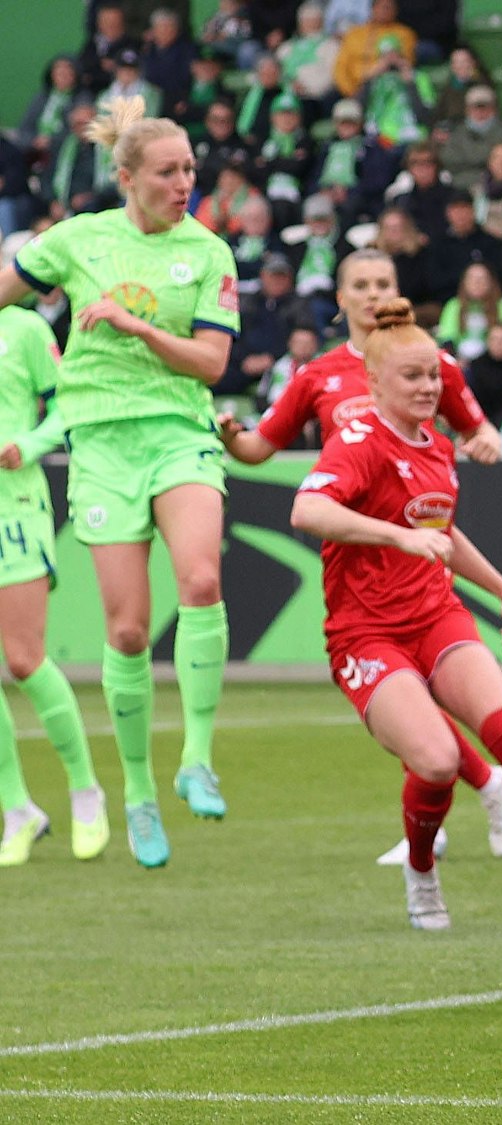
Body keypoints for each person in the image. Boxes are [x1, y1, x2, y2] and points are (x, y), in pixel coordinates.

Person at [293, 299, 502, 932]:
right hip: (366, 633)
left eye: (433, 376)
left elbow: (441, 532)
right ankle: (421, 873)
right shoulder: (357, 442)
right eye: (412, 377)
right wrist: (398, 537)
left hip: (435, 615)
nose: (428, 387)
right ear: (374, 383)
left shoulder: (439, 447)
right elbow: (307, 511)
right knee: (439, 762)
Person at [0, 98, 237, 867]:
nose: (184, 183)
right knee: (128, 631)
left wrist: (137, 326)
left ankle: (196, 757)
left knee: (201, 578)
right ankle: (137, 792)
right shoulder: (78, 239)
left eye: (190, 169)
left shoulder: (209, 253)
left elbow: (212, 363)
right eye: (168, 172)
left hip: (178, 432)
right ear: (128, 178)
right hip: (102, 443)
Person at [217, 248, 502, 860]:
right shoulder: (317, 375)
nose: (374, 293)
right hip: (357, 559)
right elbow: (260, 449)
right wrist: (230, 438)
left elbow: (477, 427)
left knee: (415, 695)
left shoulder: (432, 362)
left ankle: (444, 819)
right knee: (409, 702)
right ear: (342, 298)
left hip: (419, 548)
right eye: (362, 284)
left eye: (384, 283)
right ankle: (482, 785)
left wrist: (486, 440)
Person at [0, 306, 106, 866]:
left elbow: (69, 404)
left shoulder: (24, 328)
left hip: (13, 507)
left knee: (24, 659)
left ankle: (85, 791)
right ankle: (17, 810)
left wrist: (30, 442)